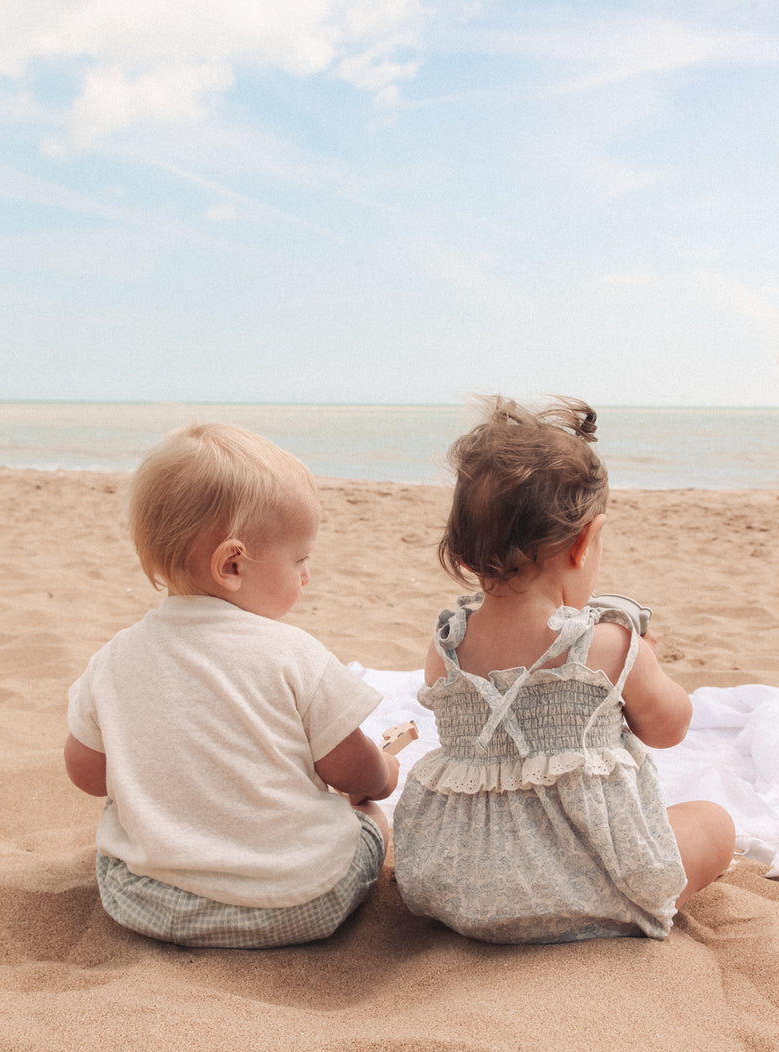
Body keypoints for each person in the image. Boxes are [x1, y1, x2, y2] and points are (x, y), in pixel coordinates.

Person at [393, 396, 734, 944]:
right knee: (713, 823)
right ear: (583, 543)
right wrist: (645, 661)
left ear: (462, 553)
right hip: (593, 887)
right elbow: (671, 729)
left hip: (461, 887)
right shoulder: (610, 643)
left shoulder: (447, 646)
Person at [64, 423, 398, 948]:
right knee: (368, 821)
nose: (305, 578)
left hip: (142, 898)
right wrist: (381, 777)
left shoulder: (113, 658)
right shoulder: (295, 653)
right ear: (233, 564)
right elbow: (352, 769)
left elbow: (87, 775)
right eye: (300, 560)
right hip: (296, 904)